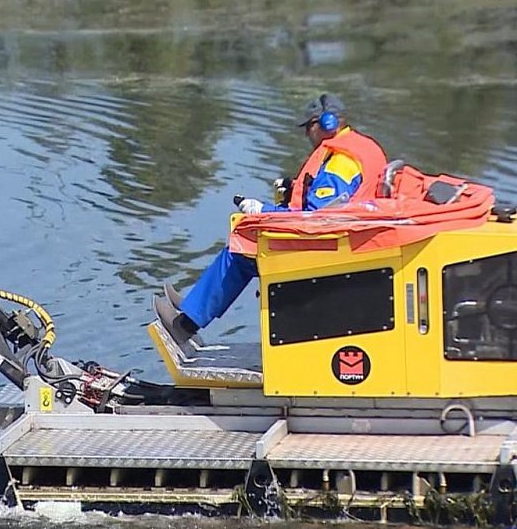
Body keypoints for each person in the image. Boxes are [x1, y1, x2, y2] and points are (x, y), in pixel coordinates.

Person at [155, 93, 388, 349]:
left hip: (328, 251)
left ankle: (186, 324)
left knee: (241, 253)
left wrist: (261, 210)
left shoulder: (340, 164)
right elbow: (334, 201)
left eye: (309, 127)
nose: (306, 135)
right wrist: (293, 188)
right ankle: (194, 306)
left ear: (327, 123)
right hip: (349, 242)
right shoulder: (360, 146)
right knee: (244, 249)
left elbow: (317, 220)